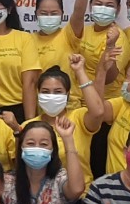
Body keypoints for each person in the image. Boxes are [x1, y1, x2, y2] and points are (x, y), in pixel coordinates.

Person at [17, 58, 106, 193]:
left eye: (58, 91)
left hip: (80, 195)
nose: (51, 96)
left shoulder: (78, 118)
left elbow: (98, 111)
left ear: (68, 94)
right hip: (42, 196)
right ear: (38, 93)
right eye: (45, 91)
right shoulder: (28, 126)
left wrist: (80, 71)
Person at [68, 0, 130, 102]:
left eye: (109, 5)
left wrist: (110, 46)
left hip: (106, 101)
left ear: (118, 9)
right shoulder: (85, 31)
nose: (103, 8)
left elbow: (109, 78)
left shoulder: (118, 37)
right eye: (98, 4)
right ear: (90, 6)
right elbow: (77, 16)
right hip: (81, 99)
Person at [30, 0, 80, 109]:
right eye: (43, 13)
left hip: (69, 106)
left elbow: (79, 13)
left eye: (54, 13)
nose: (49, 17)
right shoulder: (27, 40)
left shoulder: (69, 34)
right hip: (39, 107)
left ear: (62, 14)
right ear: (35, 14)